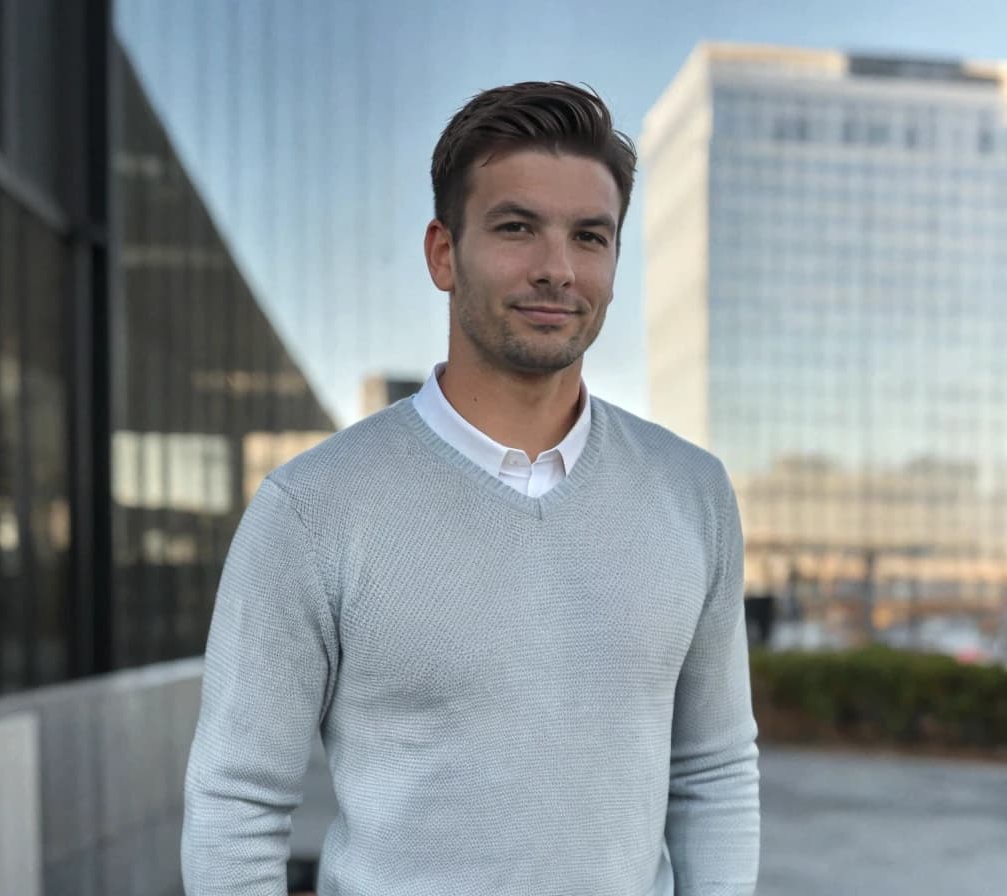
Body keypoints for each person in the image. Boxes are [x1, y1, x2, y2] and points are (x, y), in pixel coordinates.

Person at [182, 81, 760, 896]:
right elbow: (234, 802)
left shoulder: (693, 494)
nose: (557, 269)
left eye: (590, 237)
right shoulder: (313, 510)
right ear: (443, 253)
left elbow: (715, 768)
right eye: (517, 227)